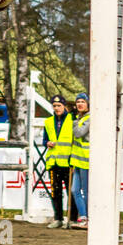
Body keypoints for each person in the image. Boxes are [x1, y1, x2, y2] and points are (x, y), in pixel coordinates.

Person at [42, 94, 74, 228]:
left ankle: (72, 219)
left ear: (64, 106)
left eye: (59, 106)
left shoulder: (72, 120)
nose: (56, 108)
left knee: (71, 192)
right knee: (56, 192)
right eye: (54, 106)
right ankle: (58, 218)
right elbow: (44, 140)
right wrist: (47, 143)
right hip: (53, 162)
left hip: (68, 162)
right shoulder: (48, 121)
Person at [70, 93, 90, 229]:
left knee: (86, 190)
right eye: (78, 102)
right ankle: (83, 216)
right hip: (77, 160)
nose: (79, 104)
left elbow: (79, 133)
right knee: (74, 190)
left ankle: (89, 217)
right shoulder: (79, 118)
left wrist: (75, 123)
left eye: (82, 101)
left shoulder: (89, 118)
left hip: (86, 160)